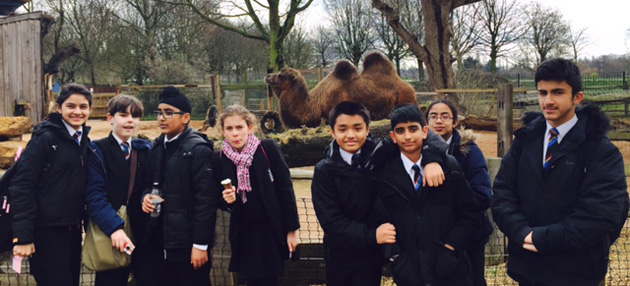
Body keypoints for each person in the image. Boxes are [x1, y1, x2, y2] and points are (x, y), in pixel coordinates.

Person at [491, 58, 629, 286]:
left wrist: (542, 238)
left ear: (577, 97)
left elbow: (600, 214)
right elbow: (503, 193)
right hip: (527, 269)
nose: (548, 101)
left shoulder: (600, 151)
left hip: (575, 272)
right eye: (542, 93)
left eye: (557, 92)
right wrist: (521, 232)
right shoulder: (525, 142)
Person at [311, 101, 448, 286]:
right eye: (342, 129)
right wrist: (372, 235)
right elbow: (331, 221)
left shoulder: (381, 152)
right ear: (333, 133)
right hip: (341, 255)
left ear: (368, 130)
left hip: (374, 256)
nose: (350, 135)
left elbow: (429, 137)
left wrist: (432, 160)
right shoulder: (324, 170)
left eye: (357, 128)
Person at [373, 103, 480, 286]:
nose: (407, 136)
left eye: (413, 129)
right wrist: (397, 256)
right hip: (410, 273)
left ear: (424, 131)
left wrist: (451, 248)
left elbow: (471, 213)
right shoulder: (385, 176)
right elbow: (379, 218)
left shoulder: (449, 167)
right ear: (393, 136)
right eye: (400, 131)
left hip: (450, 271)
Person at [10, 83, 92, 286]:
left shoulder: (82, 141)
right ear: (59, 108)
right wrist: (23, 236)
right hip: (45, 231)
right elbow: (21, 185)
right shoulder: (45, 139)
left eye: (83, 107)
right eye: (71, 106)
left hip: (72, 229)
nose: (77, 112)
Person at [212, 104, 300, 286]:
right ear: (223, 131)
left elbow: (285, 189)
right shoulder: (220, 159)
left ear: (249, 128)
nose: (235, 133)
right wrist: (226, 200)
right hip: (244, 232)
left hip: (270, 229)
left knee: (271, 279)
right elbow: (219, 198)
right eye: (229, 128)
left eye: (239, 127)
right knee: (250, 279)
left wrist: (293, 229)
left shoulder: (267, 149)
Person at [141, 86, 218, 286]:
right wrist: (146, 198)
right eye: (159, 113)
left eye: (168, 113)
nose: (161, 118)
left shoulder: (198, 150)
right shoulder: (157, 147)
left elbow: (206, 201)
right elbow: (148, 184)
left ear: (185, 118)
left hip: (189, 244)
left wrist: (200, 244)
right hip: (161, 240)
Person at [85, 94, 161, 286]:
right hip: (113, 234)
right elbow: (95, 195)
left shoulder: (145, 150)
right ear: (110, 118)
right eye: (123, 115)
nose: (130, 120)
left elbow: (149, 185)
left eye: (135, 116)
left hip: (142, 234)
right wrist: (114, 229)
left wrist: (147, 196)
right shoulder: (96, 151)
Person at [426, 99, 492, 286]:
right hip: (435, 237)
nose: (439, 121)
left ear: (455, 122)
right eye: (433, 116)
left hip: (470, 235)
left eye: (445, 116)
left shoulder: (468, 151)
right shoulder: (418, 151)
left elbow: (482, 195)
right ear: (426, 123)